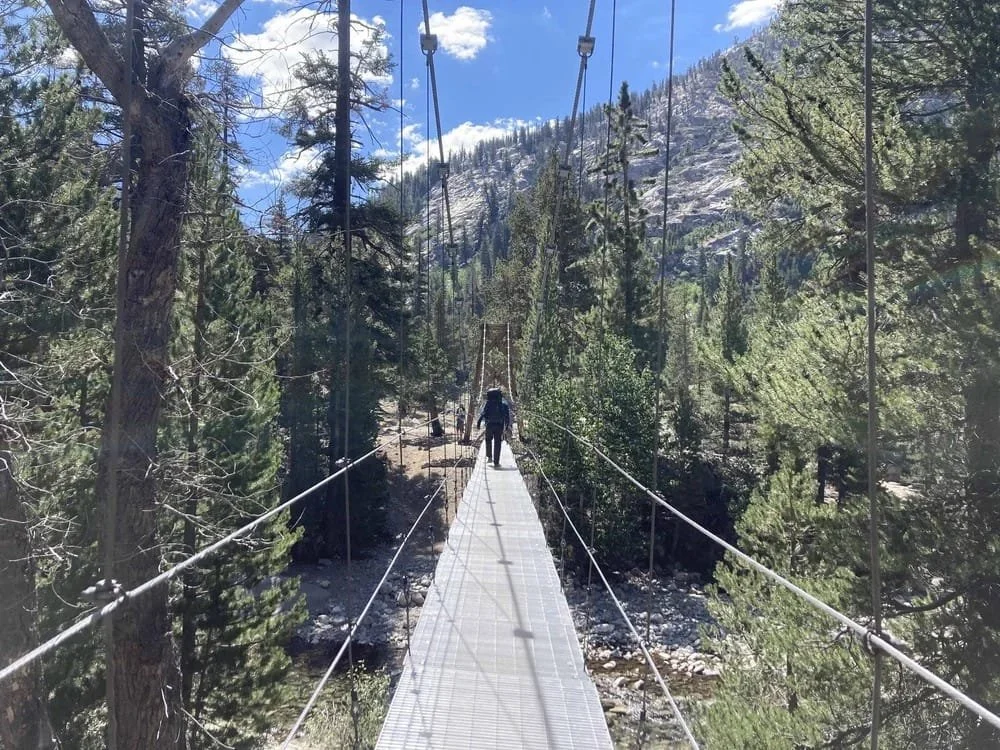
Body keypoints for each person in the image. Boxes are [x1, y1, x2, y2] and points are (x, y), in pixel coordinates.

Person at [476, 386, 511, 468]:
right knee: (497, 443)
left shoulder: (488, 404)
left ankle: (489, 457)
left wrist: (478, 423)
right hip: (499, 426)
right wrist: (506, 427)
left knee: (488, 440)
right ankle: (496, 462)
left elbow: (483, 414)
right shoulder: (504, 404)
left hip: (489, 425)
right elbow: (507, 417)